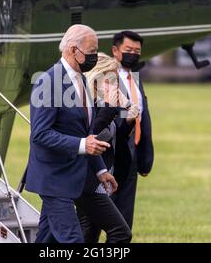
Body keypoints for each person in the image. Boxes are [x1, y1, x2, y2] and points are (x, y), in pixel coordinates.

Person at [25, 24, 116, 243]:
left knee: (47, 240)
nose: (95, 56)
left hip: (69, 179)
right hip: (53, 179)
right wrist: (83, 145)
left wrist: (100, 169)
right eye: (91, 51)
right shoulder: (48, 82)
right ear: (72, 50)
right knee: (73, 240)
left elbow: (84, 132)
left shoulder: (80, 79)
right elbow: (40, 134)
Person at [75, 53, 139, 243]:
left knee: (89, 233)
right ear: (96, 78)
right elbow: (91, 136)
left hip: (100, 180)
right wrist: (111, 107)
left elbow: (109, 136)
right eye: (109, 79)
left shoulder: (101, 103)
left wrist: (128, 119)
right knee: (120, 232)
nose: (114, 85)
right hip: (87, 180)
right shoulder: (85, 104)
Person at [111, 31, 155, 229]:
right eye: (128, 50)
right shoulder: (105, 77)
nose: (133, 54)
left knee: (124, 223)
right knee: (92, 223)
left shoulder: (135, 78)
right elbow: (105, 115)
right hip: (109, 157)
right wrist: (127, 118)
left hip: (131, 156)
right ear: (115, 50)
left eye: (137, 51)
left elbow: (144, 118)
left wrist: (145, 158)